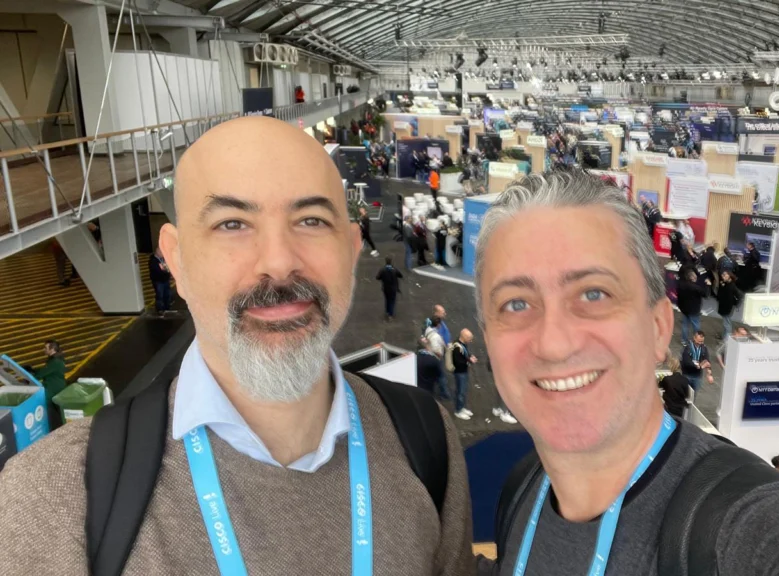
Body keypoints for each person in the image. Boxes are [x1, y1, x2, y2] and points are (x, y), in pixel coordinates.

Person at [0, 117, 476, 574]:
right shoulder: (53, 494)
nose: (278, 262)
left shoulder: (425, 442)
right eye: (232, 224)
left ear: (351, 249)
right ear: (176, 259)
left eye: (310, 220)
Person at [473, 171, 779, 576]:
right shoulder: (522, 491)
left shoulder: (736, 528)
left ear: (658, 329)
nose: (555, 342)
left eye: (594, 294)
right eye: (516, 304)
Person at [30, 340, 66, 428]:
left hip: (52, 389)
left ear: (52, 349)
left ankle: (52, 427)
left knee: (45, 405)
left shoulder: (55, 362)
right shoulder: (55, 360)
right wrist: (33, 370)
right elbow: (45, 370)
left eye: (45, 348)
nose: (44, 350)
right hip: (55, 387)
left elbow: (41, 374)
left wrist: (32, 374)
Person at [451, 329, 477, 420]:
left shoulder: (462, 344)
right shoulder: (457, 347)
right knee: (460, 392)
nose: (471, 341)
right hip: (460, 373)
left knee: (463, 390)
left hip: (464, 372)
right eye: (470, 339)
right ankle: (458, 410)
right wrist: (470, 361)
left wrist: (470, 356)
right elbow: (458, 362)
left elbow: (465, 353)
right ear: (464, 337)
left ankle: (462, 407)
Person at [676, 269, 708, 341]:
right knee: (696, 325)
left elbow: (679, 297)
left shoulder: (681, 285)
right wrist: (707, 285)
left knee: (685, 325)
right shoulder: (695, 288)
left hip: (684, 309)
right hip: (694, 310)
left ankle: (684, 340)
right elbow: (705, 294)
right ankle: (697, 340)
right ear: (692, 278)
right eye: (695, 277)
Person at [681, 330, 713, 399]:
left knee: (693, 396)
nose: (700, 343)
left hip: (697, 377)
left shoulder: (704, 348)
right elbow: (686, 362)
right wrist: (699, 366)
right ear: (694, 338)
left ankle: (690, 409)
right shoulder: (688, 348)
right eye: (698, 341)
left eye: (702, 341)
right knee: (684, 395)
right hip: (687, 375)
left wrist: (709, 374)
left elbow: (707, 361)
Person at [716, 270, 743, 338]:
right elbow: (719, 294)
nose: (723, 276)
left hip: (727, 307)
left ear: (729, 276)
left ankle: (727, 339)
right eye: (722, 275)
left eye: (725, 275)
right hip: (723, 306)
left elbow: (739, 295)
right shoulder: (725, 284)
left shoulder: (732, 286)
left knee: (727, 323)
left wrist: (735, 303)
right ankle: (724, 336)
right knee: (726, 322)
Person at [375, 256, 403, 321]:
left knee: (387, 300)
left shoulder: (382, 269)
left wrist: (382, 278)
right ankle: (390, 314)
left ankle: (387, 311)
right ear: (391, 262)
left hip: (386, 288)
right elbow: (400, 275)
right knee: (392, 301)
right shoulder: (394, 270)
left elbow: (377, 277)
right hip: (393, 288)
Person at [149, 246, 173, 316]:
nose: (163, 253)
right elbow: (159, 270)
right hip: (158, 281)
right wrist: (165, 270)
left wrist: (166, 272)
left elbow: (167, 269)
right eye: (161, 252)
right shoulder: (153, 260)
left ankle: (167, 308)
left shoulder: (163, 259)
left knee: (167, 294)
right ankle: (160, 309)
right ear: (157, 251)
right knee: (160, 295)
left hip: (165, 280)